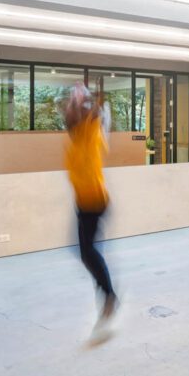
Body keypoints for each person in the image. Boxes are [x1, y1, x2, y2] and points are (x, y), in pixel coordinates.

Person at [64, 83, 117, 341]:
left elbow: (93, 112)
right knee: (86, 252)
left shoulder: (91, 131)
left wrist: (84, 98)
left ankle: (108, 295)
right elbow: (70, 118)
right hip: (83, 201)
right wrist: (76, 102)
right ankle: (106, 291)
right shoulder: (76, 134)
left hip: (95, 200)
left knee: (88, 251)